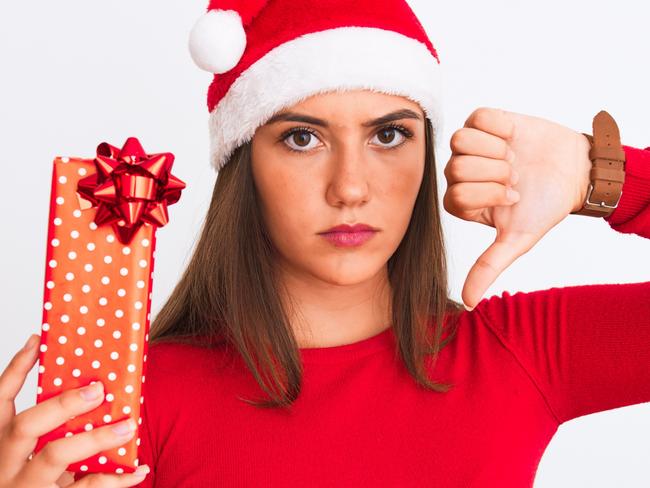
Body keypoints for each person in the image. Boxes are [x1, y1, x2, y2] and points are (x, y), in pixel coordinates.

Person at [1, 0, 649, 486]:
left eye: (389, 135)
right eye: (302, 137)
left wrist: (604, 175)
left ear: (426, 153)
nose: (351, 188)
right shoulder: (130, 402)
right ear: (243, 161)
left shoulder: (521, 355)